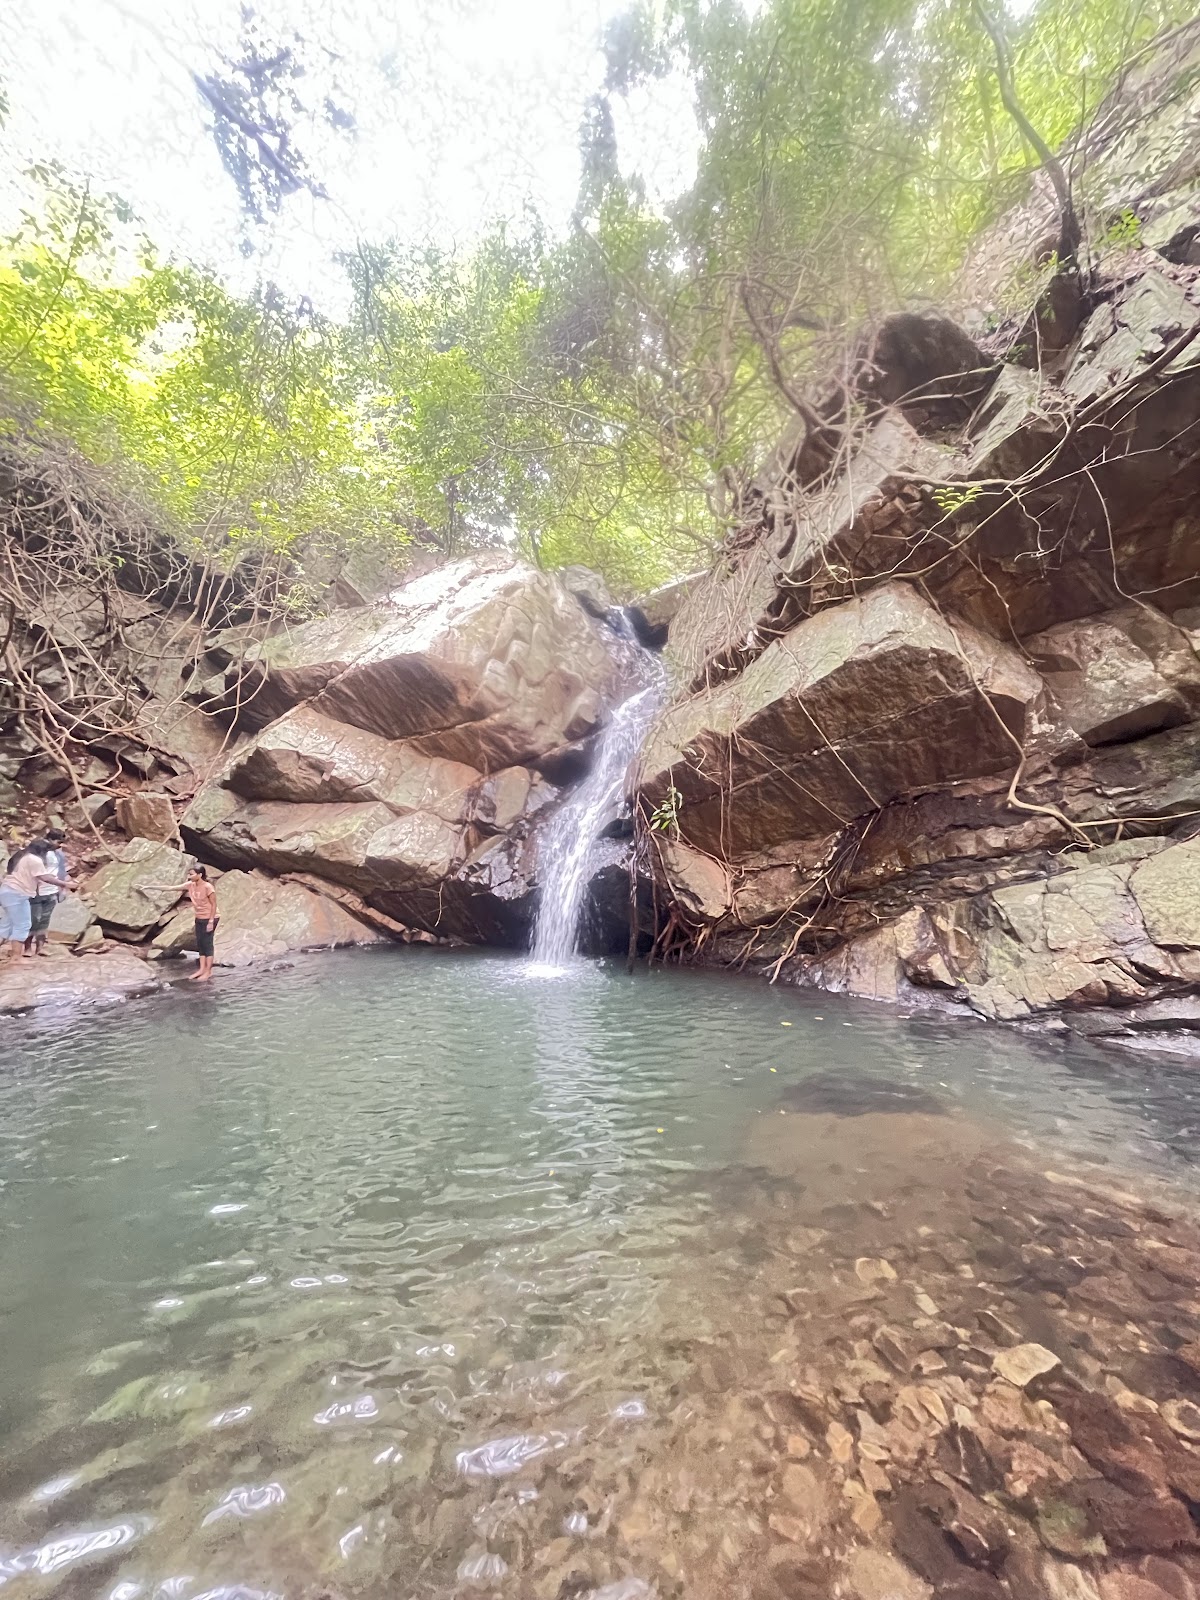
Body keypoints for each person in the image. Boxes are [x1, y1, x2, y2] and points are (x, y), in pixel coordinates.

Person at [141, 864, 219, 981]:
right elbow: (170, 888)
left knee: (207, 944)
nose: (189, 876)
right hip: (199, 918)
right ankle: (201, 969)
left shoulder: (208, 887)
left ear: (200, 875)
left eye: (191, 874)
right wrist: (148, 887)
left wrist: (211, 921)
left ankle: (208, 971)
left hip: (211, 917)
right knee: (200, 943)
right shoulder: (190, 885)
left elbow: (214, 905)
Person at [0, 840, 72, 961]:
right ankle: (16, 958)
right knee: (23, 925)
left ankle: (15, 955)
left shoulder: (23, 856)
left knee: (6, 925)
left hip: (7, 890)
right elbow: (45, 877)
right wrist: (65, 884)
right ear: (42, 851)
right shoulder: (35, 860)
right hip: (18, 893)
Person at [25, 828, 70, 958]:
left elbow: (61, 871)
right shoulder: (38, 850)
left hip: (52, 890)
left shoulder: (58, 855)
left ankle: (40, 948)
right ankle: (27, 947)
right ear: (50, 839)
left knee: (44, 921)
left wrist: (61, 888)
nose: (60, 845)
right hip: (37, 891)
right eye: (58, 842)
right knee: (33, 919)